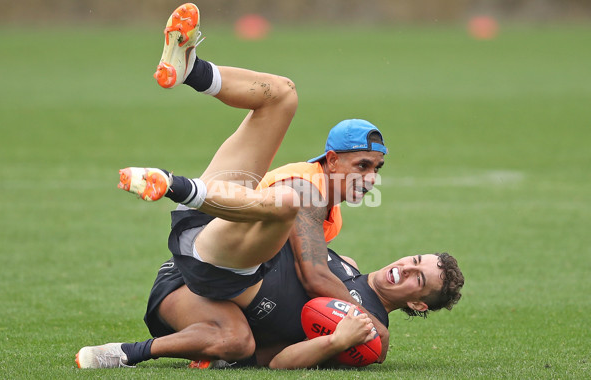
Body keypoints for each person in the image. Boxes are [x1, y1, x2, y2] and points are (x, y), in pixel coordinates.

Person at [78, 1, 391, 368]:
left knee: (283, 99)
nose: (370, 178)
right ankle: (176, 184)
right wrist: (364, 323)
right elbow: (314, 275)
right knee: (285, 126)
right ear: (332, 160)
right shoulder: (307, 186)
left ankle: (191, 69)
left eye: (377, 168)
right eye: (363, 165)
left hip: (214, 240)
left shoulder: (330, 215)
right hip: (220, 254)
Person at [77, 209, 464, 368]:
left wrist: (334, 342)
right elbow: (298, 220)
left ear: (419, 304)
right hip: (195, 278)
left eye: (418, 278)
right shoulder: (347, 265)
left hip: (214, 313)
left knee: (237, 342)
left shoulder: (367, 338)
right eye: (414, 260)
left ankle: (126, 353)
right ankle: (194, 197)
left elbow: (277, 362)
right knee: (281, 206)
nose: (405, 268)